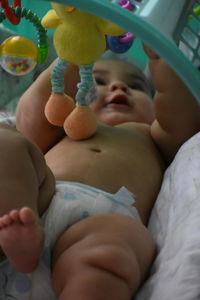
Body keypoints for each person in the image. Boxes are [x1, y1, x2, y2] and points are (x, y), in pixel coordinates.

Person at [0, 44, 199, 299]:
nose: (118, 87)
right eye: (95, 83)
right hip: (39, 201)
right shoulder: (62, 128)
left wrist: (162, 53)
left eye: (138, 86)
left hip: (103, 219)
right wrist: (79, 49)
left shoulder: (152, 135)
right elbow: (32, 116)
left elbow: (182, 114)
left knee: (113, 251)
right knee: (7, 141)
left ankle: (87, 286)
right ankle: (10, 223)